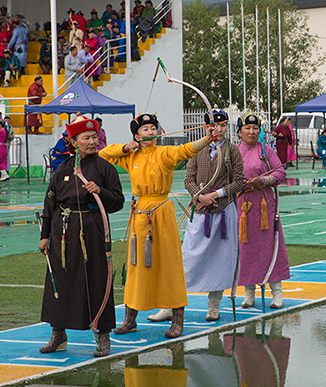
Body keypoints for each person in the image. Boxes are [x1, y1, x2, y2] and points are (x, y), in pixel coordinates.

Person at [99, 113, 213, 338]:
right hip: (140, 212)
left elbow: (186, 150)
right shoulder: (130, 155)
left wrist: (206, 139)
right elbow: (103, 154)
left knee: (169, 265)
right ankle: (130, 319)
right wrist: (125, 148)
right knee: (136, 264)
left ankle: (177, 319)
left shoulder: (165, 152)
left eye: (153, 128)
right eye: (145, 129)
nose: (150, 132)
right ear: (136, 135)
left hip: (161, 211)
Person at [38, 115, 125, 357]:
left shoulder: (105, 168)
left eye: (94, 137)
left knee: (98, 279)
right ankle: (58, 333)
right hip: (63, 233)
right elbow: (50, 204)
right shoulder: (63, 169)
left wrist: (101, 192)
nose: (91, 141)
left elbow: (118, 201)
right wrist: (45, 237)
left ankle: (103, 333)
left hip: (92, 231)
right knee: (60, 279)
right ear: (73, 142)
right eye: (85, 138)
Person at [148, 110, 245, 324]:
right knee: (187, 258)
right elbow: (188, 179)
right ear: (205, 128)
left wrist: (216, 195)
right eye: (213, 126)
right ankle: (170, 305)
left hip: (224, 211)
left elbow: (239, 181)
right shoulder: (197, 149)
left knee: (221, 260)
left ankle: (214, 305)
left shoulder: (233, 150)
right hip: (200, 211)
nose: (217, 130)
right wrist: (200, 195)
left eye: (221, 126)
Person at [235, 113, 290, 309]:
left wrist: (263, 180)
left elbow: (280, 172)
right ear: (239, 132)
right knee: (245, 248)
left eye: (255, 128)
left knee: (270, 246)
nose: (251, 131)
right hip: (242, 206)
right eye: (247, 128)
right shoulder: (234, 152)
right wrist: (236, 184)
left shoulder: (266, 150)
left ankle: (277, 293)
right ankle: (249, 293)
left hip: (264, 205)